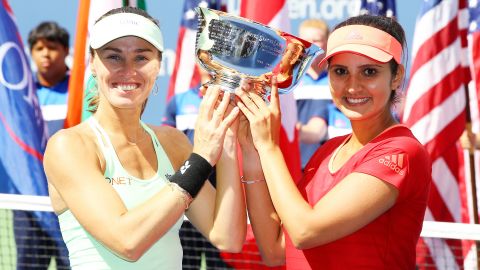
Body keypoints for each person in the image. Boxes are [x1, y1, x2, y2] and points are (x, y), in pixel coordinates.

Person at [43, 6, 246, 269]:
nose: (128, 70)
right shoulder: (69, 146)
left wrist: (227, 141)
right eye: (114, 57)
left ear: (158, 65)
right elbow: (127, 242)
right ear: (92, 63)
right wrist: (201, 158)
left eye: (141, 58)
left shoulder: (172, 143)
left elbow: (227, 238)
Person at [235, 14, 431, 269]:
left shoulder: (401, 151)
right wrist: (252, 152)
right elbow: (274, 251)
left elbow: (306, 231)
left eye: (369, 71)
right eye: (340, 71)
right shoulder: (328, 150)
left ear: (396, 77)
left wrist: (269, 147)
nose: (352, 86)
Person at [162, 64, 233, 269]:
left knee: (219, 262)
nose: (212, 67)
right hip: (187, 193)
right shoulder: (179, 100)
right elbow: (168, 144)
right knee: (186, 262)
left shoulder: (232, 100)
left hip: (220, 194)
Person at [13, 21, 71, 270]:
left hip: (71, 201)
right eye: (38, 48)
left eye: (52, 47)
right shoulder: (19, 94)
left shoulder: (80, 91)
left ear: (66, 51)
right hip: (28, 202)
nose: (45, 54)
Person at [293, 19, 332, 171]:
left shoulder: (336, 80)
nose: (311, 45)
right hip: (293, 162)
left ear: (327, 43)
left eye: (317, 40)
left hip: (327, 163)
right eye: (306, 40)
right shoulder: (290, 81)